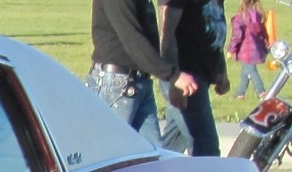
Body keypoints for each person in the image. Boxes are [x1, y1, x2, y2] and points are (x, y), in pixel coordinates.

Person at [92, 0, 199, 140]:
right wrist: (173, 75)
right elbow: (132, 39)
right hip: (116, 84)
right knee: (110, 152)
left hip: (140, 81)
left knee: (150, 156)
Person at [162, 0, 229, 155]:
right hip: (185, 77)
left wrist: (220, 70)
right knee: (207, 148)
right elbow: (169, 35)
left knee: (171, 147)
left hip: (200, 75)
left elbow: (214, 31)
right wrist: (174, 78)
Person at [230, 0, 270, 99]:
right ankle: (240, 92)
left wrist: (231, 49)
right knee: (245, 70)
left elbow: (237, 35)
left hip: (246, 49)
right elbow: (264, 33)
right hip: (257, 49)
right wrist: (267, 44)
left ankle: (261, 91)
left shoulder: (242, 16)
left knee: (251, 70)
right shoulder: (259, 15)